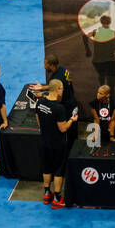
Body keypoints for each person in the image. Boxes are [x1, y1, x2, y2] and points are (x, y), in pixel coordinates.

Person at [34, 78, 78, 209]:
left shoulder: (40, 102)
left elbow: (38, 120)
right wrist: (72, 119)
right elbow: (63, 128)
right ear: (58, 89)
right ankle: (58, 198)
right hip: (58, 144)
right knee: (59, 170)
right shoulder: (59, 108)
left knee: (46, 167)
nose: (63, 91)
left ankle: (47, 193)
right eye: (62, 89)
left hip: (44, 141)